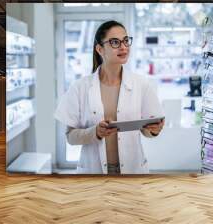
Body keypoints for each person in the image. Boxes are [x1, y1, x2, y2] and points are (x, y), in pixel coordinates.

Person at [54, 20, 164, 174]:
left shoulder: (142, 85)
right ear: (100, 49)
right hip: (94, 172)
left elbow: (148, 132)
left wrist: (154, 129)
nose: (123, 47)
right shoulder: (80, 87)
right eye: (114, 42)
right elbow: (71, 137)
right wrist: (95, 132)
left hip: (133, 171)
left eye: (126, 41)